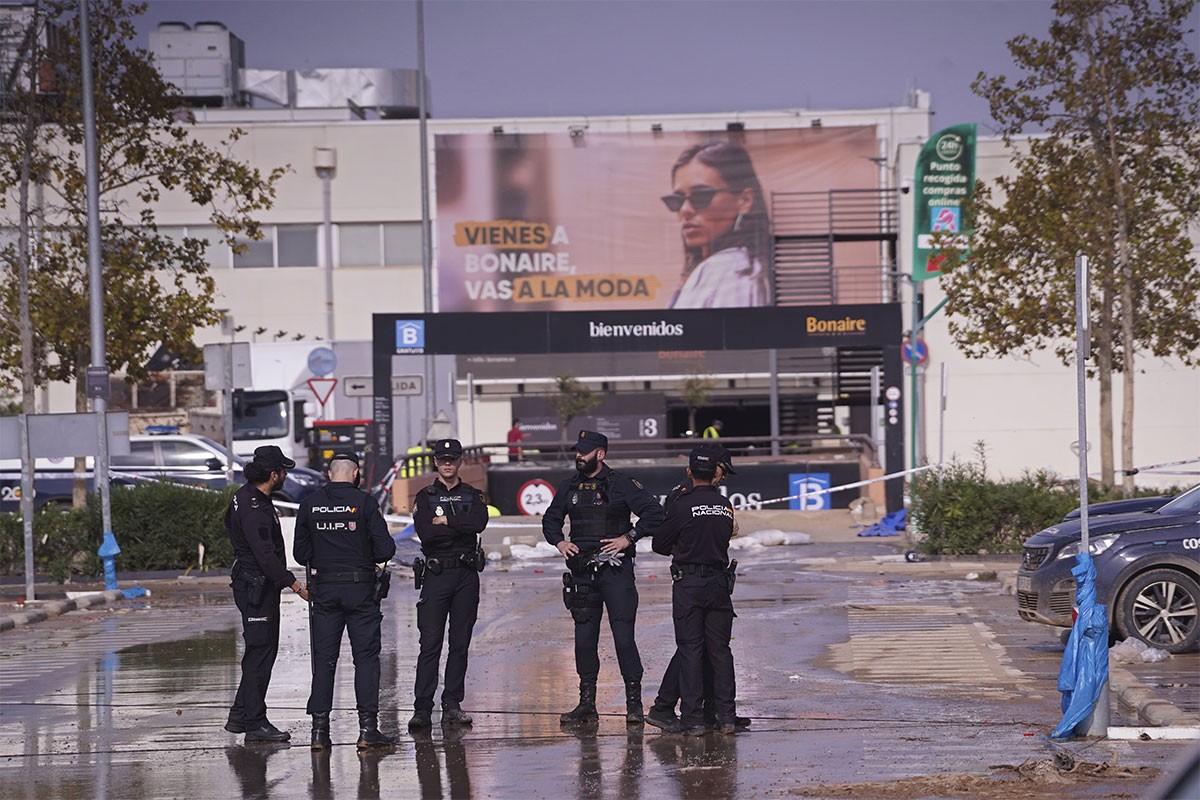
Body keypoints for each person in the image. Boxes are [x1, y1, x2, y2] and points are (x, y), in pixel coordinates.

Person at [542, 430, 665, 725]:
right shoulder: (568, 486)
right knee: (584, 641)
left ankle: (633, 706)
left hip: (616, 572)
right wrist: (559, 542)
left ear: (601, 454)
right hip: (583, 574)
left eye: (584, 452)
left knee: (624, 638)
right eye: (577, 451)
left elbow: (655, 515)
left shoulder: (622, 484)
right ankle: (587, 705)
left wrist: (629, 537)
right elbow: (550, 520)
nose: (578, 456)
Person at [294, 452, 397, 750]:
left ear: (328, 474)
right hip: (360, 592)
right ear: (355, 475)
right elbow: (384, 550)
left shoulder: (310, 504)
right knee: (365, 659)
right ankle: (367, 730)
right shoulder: (365, 503)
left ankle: (319, 733)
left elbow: (301, 554)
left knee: (324, 662)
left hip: (324, 591)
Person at [647, 443, 750, 731]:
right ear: (715, 471)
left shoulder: (681, 503)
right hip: (718, 583)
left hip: (690, 582)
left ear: (689, 471)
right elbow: (723, 536)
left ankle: (693, 720)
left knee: (690, 649)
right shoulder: (724, 506)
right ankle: (726, 716)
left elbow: (659, 545)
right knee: (720, 650)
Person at [223, 445, 307, 743]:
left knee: (258, 653)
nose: (285, 475)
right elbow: (265, 555)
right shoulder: (255, 508)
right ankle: (255, 723)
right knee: (260, 654)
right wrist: (294, 584)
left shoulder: (243, 495)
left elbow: (227, 526)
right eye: (283, 471)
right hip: (256, 587)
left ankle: (240, 715)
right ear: (274, 475)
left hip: (251, 583)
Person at [408, 438, 490, 730]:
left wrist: (447, 522)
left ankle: (452, 704)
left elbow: (479, 524)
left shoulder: (473, 494)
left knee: (460, 644)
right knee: (429, 644)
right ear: (435, 462)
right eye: (442, 459)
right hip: (437, 574)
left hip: (466, 575)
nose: (447, 464)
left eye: (452, 459)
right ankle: (422, 709)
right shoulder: (425, 495)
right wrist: (458, 523)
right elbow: (427, 533)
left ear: (460, 462)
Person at [662, 141, 772, 309]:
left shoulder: (726, 268)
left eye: (701, 196)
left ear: (744, 200)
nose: (685, 210)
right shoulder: (744, 265)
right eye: (676, 200)